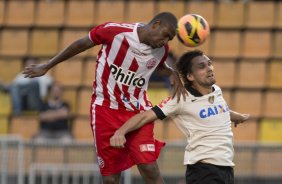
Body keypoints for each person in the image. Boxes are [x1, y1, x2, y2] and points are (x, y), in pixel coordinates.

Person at [23, 12, 184, 184]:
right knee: (110, 178)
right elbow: (81, 44)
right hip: (105, 110)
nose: (165, 41)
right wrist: (48, 66)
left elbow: (156, 67)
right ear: (155, 24)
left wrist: (171, 72)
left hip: (137, 111)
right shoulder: (115, 31)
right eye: (165, 35)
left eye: (170, 39)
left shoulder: (162, 50)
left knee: (149, 167)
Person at [110, 50, 250, 184]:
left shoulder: (216, 91)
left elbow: (220, 110)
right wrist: (121, 131)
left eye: (209, 63)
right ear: (190, 76)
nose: (209, 68)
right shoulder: (181, 99)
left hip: (226, 168)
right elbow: (144, 117)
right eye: (202, 66)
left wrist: (235, 116)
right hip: (204, 170)